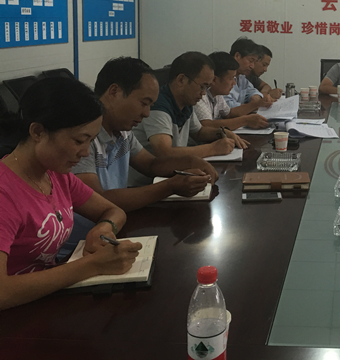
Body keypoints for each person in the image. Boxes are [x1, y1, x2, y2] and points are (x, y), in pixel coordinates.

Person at [0, 78, 141, 310]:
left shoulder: (56, 175)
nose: (85, 152)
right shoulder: (5, 193)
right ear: (38, 131)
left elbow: (113, 210)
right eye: (79, 141)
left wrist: (103, 228)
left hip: (48, 301)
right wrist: (93, 265)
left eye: (91, 141)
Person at [64, 57, 217, 254]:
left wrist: (190, 161)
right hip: (79, 247)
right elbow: (98, 200)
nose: (147, 113)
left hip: (114, 231)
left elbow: (150, 164)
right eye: (144, 103)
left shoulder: (122, 131)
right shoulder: (82, 138)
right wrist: (170, 186)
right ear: (114, 92)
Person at [130, 52, 248, 186]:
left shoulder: (185, 103)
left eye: (207, 87)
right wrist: (213, 149)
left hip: (171, 176)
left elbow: (198, 132)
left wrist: (222, 132)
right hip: (146, 183)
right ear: (181, 80)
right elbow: (164, 152)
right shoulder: (157, 105)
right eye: (202, 86)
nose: (204, 93)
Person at [194, 51, 269, 131]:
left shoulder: (217, 95)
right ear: (214, 80)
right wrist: (245, 120)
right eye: (231, 78)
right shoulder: (200, 95)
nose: (234, 83)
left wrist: (256, 104)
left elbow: (229, 114)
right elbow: (206, 125)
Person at [225, 37, 273, 116]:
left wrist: (257, 97)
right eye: (251, 61)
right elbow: (227, 108)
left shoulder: (242, 77)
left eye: (254, 62)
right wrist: (255, 104)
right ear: (237, 56)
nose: (252, 66)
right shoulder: (223, 76)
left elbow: (252, 91)